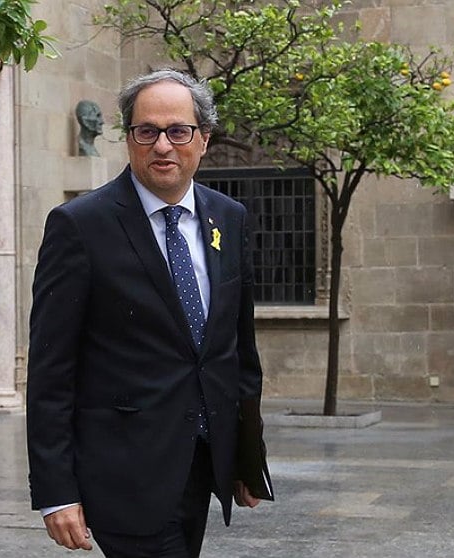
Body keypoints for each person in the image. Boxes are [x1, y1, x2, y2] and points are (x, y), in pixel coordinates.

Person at [27, 69, 272, 557]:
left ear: (202, 140)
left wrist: (246, 456)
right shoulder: (79, 226)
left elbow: (237, 349)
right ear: (130, 138)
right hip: (123, 472)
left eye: (178, 131)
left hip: (202, 462)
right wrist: (56, 491)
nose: (163, 146)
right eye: (147, 132)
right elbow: (51, 371)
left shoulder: (229, 217)